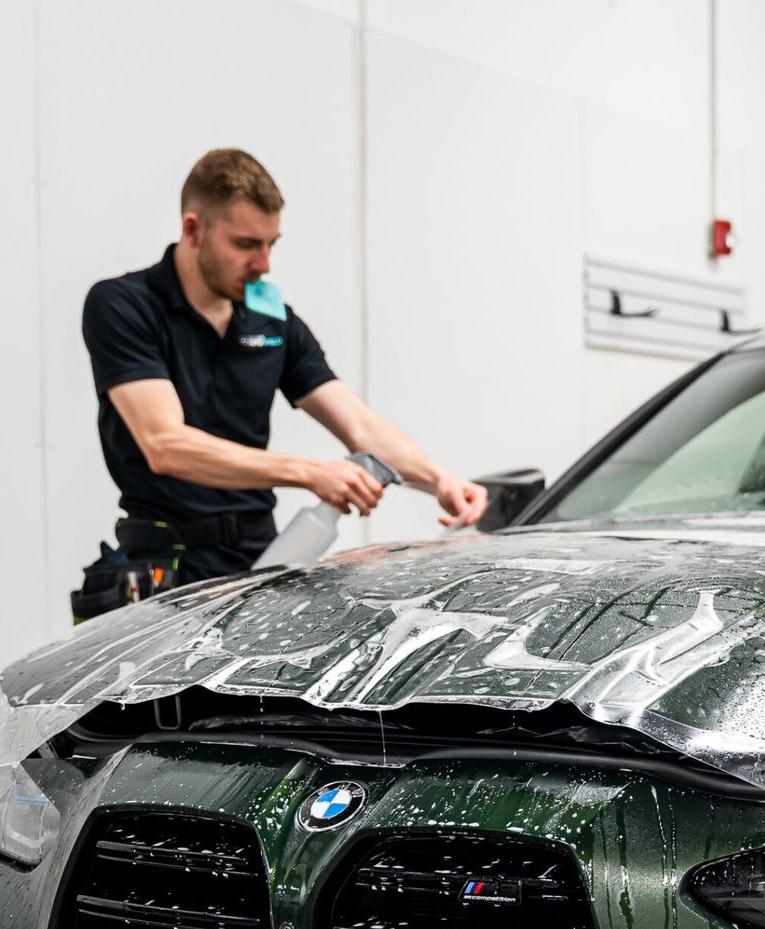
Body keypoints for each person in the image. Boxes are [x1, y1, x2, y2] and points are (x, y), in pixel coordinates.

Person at [77, 148, 486, 608]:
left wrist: (441, 481)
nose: (264, 264)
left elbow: (361, 428)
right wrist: (311, 472)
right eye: (246, 244)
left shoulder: (271, 321)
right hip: (166, 568)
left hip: (264, 559)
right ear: (193, 229)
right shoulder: (124, 305)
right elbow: (164, 445)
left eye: (272, 244)